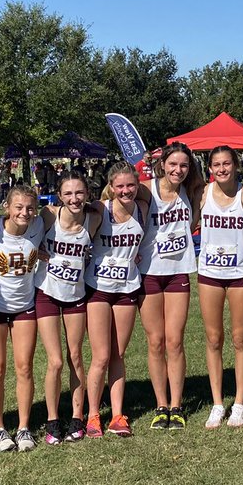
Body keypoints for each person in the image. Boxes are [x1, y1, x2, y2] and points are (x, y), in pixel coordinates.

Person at [196, 146, 243, 428]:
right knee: (213, 339)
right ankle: (217, 403)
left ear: (236, 165)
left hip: (240, 273)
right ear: (210, 167)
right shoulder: (201, 194)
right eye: (216, 164)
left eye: (227, 164)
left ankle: (239, 403)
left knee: (240, 338)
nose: (222, 169)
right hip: (209, 273)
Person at [139, 143, 204, 429]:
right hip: (149, 272)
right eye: (173, 164)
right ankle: (160, 404)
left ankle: (176, 406)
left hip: (178, 272)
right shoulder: (144, 189)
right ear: (162, 163)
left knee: (175, 340)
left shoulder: (192, 191)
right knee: (155, 342)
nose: (178, 170)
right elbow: (111, 195)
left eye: (184, 166)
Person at [33, 170, 99, 444]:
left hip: (76, 295)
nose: (74, 198)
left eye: (79, 192)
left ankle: (76, 416)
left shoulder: (93, 219)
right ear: (59, 196)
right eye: (68, 193)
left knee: (75, 358)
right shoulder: (49, 215)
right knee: (56, 361)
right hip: (47, 293)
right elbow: (25, 237)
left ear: (87, 194)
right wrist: (36, 252)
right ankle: (52, 420)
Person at [0, 184, 45, 453]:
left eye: (30, 207)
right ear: (7, 207)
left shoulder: (39, 226)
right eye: (18, 207)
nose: (24, 212)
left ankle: (24, 427)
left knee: (24, 367)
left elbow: (59, 213)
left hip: (25, 307)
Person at [84, 162, 148, 438]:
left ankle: (118, 415)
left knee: (118, 354)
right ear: (110, 187)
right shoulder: (101, 209)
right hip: (98, 288)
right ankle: (93, 415)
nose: (126, 190)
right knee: (100, 356)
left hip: (127, 288)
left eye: (131, 185)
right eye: (119, 186)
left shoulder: (143, 209)